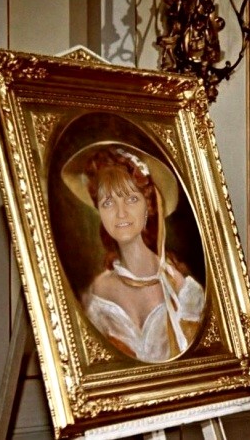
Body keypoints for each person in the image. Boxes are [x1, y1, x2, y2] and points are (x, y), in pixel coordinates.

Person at [61, 141, 206, 363]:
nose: (121, 213)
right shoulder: (97, 293)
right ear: (99, 212)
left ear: (148, 206)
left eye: (131, 199)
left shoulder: (182, 291)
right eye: (108, 203)